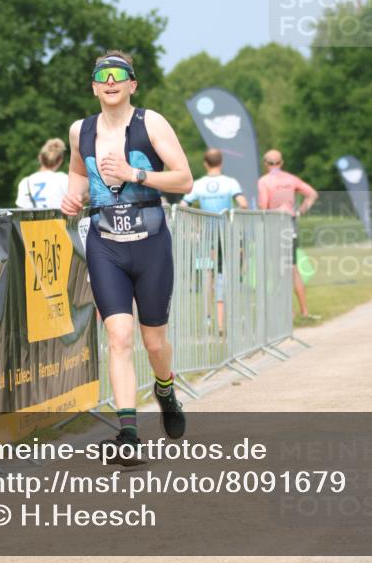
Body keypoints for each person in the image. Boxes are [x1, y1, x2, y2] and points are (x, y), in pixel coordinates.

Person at [60, 50, 193, 462]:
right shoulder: (79, 130)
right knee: (118, 337)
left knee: (154, 343)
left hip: (150, 241)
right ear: (94, 85)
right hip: (105, 243)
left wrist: (136, 174)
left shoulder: (150, 123)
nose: (111, 81)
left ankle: (166, 389)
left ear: (132, 83)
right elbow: (80, 173)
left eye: (119, 75)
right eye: (102, 75)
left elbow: (184, 179)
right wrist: (72, 197)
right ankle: (129, 435)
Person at [181, 148, 248, 334]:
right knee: (224, 275)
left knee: (206, 275)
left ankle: (208, 317)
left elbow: (183, 206)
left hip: (205, 236)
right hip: (225, 234)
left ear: (205, 163)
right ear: (221, 162)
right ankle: (222, 320)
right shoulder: (230, 182)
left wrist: (194, 225)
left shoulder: (198, 184)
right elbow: (243, 203)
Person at [258, 148, 319, 320]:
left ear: (265, 164)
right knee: (292, 268)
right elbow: (312, 194)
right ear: (281, 163)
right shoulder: (291, 179)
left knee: (278, 270)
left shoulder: (264, 181)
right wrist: (300, 211)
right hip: (290, 224)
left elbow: (263, 205)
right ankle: (304, 311)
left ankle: (289, 311)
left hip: (274, 225)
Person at [16, 138, 68, 210]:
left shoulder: (25, 182)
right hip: (58, 221)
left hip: (32, 221)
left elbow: (21, 211)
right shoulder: (64, 179)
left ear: (40, 157)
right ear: (60, 160)